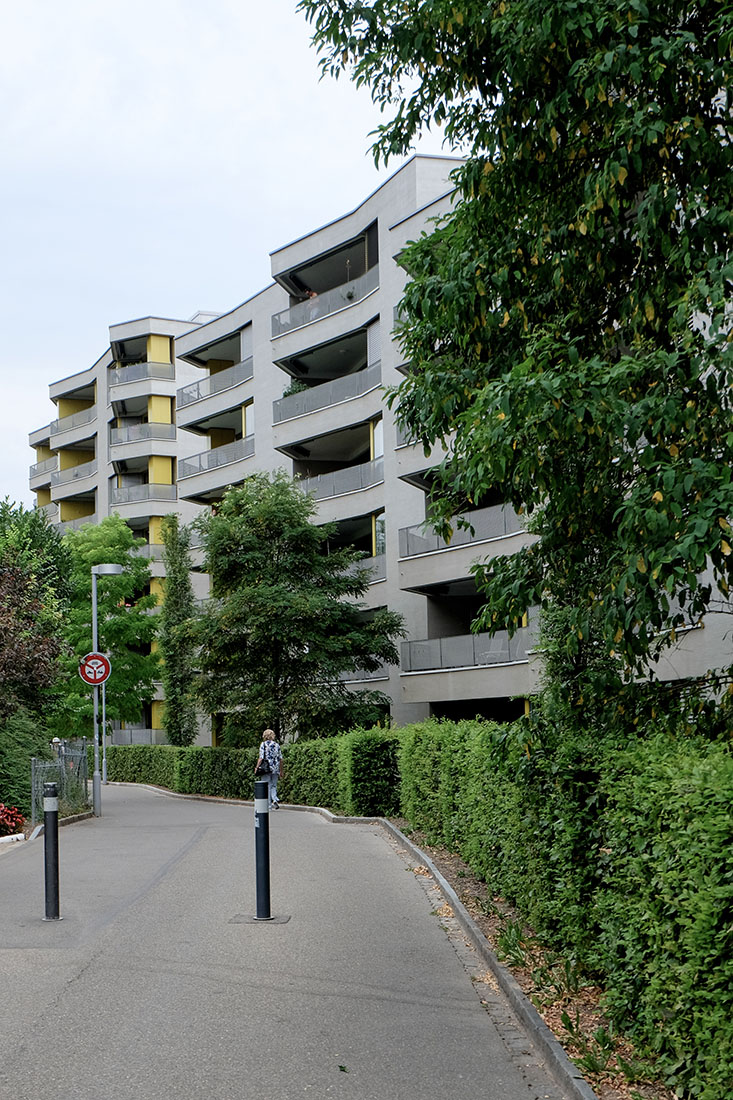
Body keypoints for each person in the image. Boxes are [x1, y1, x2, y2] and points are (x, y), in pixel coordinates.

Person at [254, 728, 282, 808]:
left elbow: (261, 757)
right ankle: (274, 799)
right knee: (274, 785)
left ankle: (269, 804)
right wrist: (281, 771)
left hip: (266, 768)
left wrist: (257, 767)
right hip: (275, 768)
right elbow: (281, 759)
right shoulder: (277, 745)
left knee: (267, 785)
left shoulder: (263, 744)